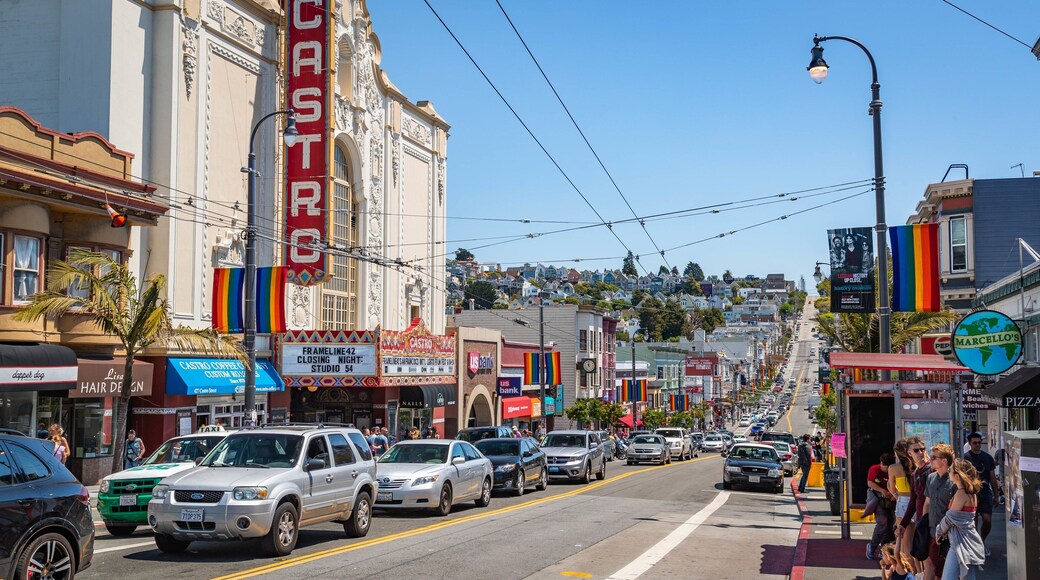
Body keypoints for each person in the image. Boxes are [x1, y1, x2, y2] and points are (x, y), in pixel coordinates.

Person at [935, 459, 986, 579]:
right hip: (968, 540)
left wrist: (939, 532)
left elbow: (949, 519)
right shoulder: (971, 493)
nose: (948, 471)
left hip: (960, 543)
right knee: (968, 577)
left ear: (957, 476)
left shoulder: (961, 494)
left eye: (950, 470)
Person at [896, 436, 932, 574]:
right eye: (916, 450)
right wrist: (903, 524)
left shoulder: (931, 471)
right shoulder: (915, 474)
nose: (921, 453)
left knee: (930, 563)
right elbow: (913, 501)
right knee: (921, 557)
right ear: (909, 453)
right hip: (920, 521)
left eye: (922, 449)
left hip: (932, 521)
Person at [924, 444, 958, 578]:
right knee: (934, 566)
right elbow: (927, 502)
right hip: (932, 531)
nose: (930, 460)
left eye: (934, 457)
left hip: (948, 535)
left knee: (946, 571)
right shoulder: (931, 478)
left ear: (944, 461)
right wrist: (923, 524)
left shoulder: (954, 481)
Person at [963, 432, 999, 554]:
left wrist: (996, 495)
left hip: (985, 493)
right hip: (971, 494)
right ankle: (976, 544)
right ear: (970, 443)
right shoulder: (965, 458)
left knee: (987, 520)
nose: (978, 445)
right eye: (975, 443)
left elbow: (992, 477)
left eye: (979, 442)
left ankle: (982, 540)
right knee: (973, 522)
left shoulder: (988, 458)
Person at [867, 452, 897, 560]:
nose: (886, 469)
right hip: (878, 497)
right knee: (882, 522)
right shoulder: (874, 469)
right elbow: (870, 483)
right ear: (881, 463)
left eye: (888, 467)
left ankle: (884, 548)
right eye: (884, 467)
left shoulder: (894, 470)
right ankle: (872, 546)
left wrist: (894, 495)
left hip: (891, 498)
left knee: (891, 524)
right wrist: (882, 491)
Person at [890, 440, 915, 561]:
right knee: (916, 538)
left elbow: (892, 488)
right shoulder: (916, 466)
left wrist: (897, 496)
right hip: (916, 502)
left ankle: (908, 568)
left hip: (903, 501)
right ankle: (918, 569)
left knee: (904, 540)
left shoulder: (893, 468)